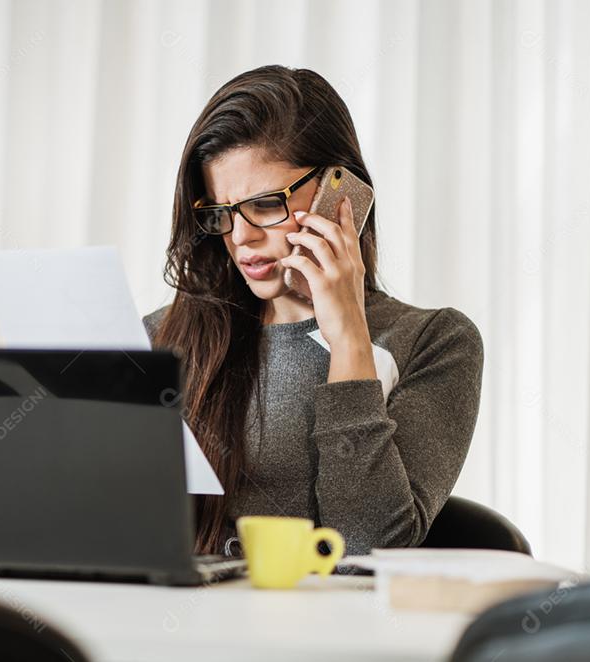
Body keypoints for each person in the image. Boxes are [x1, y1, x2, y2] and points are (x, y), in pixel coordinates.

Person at [143, 65, 483, 556]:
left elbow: (366, 549)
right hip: (176, 627)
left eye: (264, 205)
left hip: (333, 631)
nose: (240, 238)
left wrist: (348, 337)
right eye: (221, 212)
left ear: (340, 193)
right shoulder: (162, 337)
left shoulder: (434, 341)